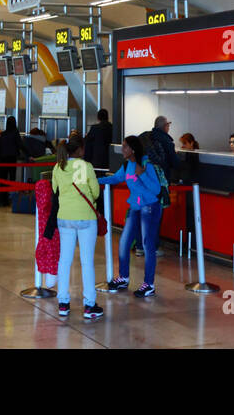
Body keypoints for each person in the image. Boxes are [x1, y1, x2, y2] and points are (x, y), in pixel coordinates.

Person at [98, 135, 163, 298]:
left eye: (125, 146)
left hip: (149, 207)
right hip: (135, 207)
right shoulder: (127, 164)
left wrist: (142, 174)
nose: (122, 149)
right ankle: (124, 277)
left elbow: (156, 189)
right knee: (124, 242)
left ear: (133, 149)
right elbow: (116, 178)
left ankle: (149, 284)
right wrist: (94, 179)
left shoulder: (146, 164)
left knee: (148, 246)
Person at [50, 133, 103, 321]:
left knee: (65, 260)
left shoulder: (58, 166)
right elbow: (95, 192)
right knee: (86, 261)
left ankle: (63, 303)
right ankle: (89, 306)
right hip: (86, 218)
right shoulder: (86, 166)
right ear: (80, 149)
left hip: (64, 217)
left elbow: (55, 190)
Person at [33, 176, 60, 294]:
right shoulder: (54, 199)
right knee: (54, 253)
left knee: (45, 251)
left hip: (45, 232)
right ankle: (52, 277)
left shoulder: (40, 203)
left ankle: (49, 277)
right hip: (54, 231)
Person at [0, 116, 23, 207]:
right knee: (11, 179)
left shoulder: (3, 134)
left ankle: (1, 199)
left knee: (2, 180)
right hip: (11, 159)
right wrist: (29, 154)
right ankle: (8, 199)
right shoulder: (15, 133)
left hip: (2, 159)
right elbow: (20, 145)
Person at [148, 115, 180, 181]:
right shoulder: (167, 141)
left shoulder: (148, 136)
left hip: (147, 173)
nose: (168, 128)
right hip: (162, 175)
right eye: (168, 126)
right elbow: (175, 162)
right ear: (165, 126)